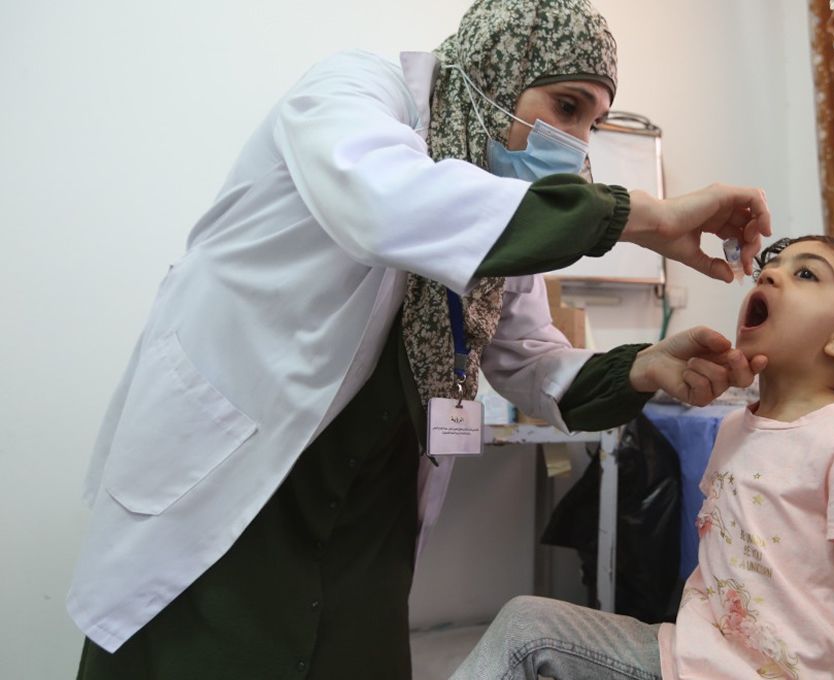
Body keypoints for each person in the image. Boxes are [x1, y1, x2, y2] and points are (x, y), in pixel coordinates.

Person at [67, 1, 773, 678]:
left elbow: (531, 362)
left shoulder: (502, 212)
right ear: (494, 72)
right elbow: (388, 206)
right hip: (240, 484)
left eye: (594, 120)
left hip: (367, 523)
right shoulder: (355, 93)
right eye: (565, 108)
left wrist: (644, 367)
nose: (579, 143)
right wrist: (640, 215)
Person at [450, 235, 834, 680]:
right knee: (526, 625)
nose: (770, 273)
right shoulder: (734, 427)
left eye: (806, 274)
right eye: (772, 265)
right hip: (684, 657)